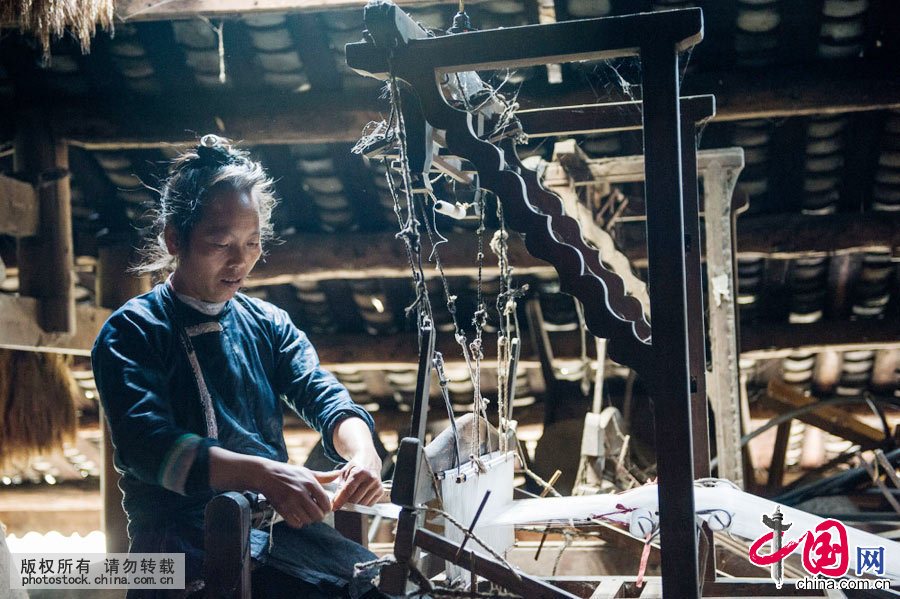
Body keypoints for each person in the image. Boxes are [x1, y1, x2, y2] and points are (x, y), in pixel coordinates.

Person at [92, 135, 385, 599]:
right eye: (220, 243)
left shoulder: (267, 323)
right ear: (174, 238)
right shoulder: (133, 331)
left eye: (252, 242)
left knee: (382, 587)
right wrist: (263, 473)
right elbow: (149, 446)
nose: (241, 260)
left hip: (271, 535)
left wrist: (362, 453)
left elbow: (322, 394)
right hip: (173, 552)